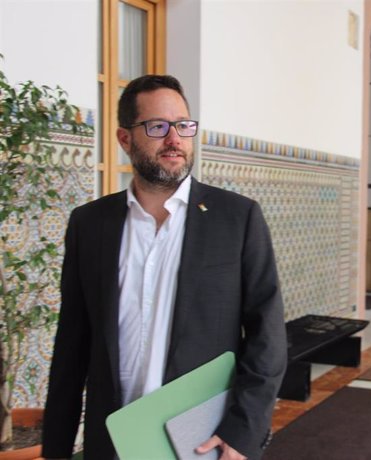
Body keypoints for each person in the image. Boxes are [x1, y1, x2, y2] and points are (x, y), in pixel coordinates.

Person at [41, 75, 287, 460]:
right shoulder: (90, 224)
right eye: (157, 127)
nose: (175, 139)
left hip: (202, 439)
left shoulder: (236, 218)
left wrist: (242, 431)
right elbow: (72, 343)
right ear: (125, 139)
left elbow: (267, 334)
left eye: (183, 126)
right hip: (114, 438)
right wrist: (55, 448)